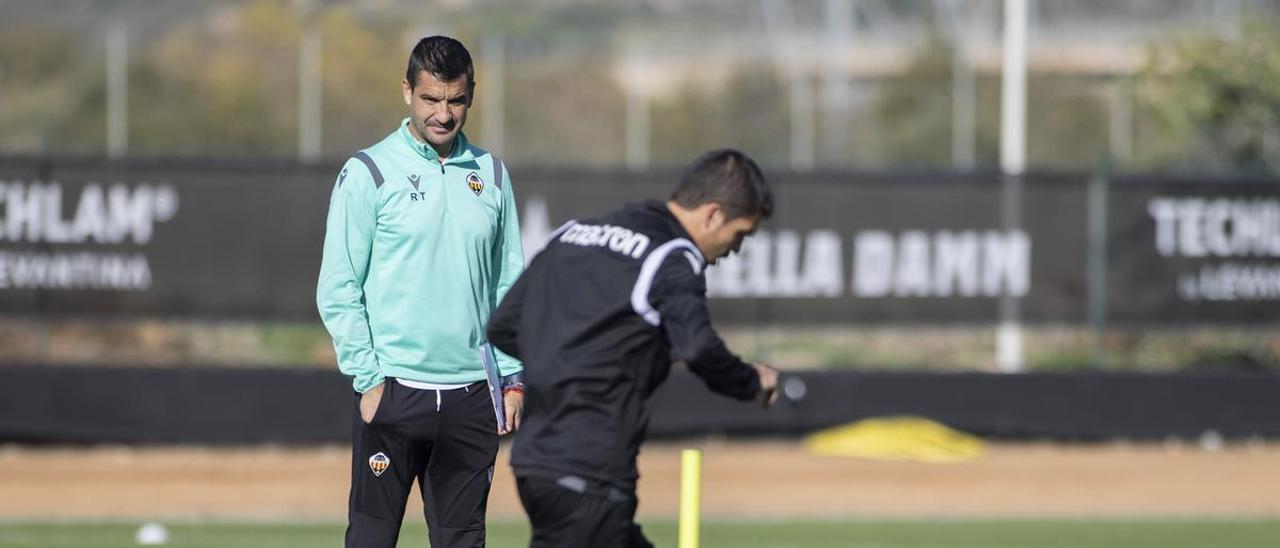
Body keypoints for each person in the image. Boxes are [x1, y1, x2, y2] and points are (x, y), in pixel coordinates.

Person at [486, 149, 781, 547]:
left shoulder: (573, 233)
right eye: (740, 235)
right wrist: (752, 381)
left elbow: (505, 326)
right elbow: (697, 347)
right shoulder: (674, 256)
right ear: (712, 214)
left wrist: (568, 355)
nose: (735, 250)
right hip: (590, 473)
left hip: (536, 464)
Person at [317, 35, 525, 548]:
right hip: (393, 390)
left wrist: (513, 376)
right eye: (431, 99)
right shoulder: (369, 172)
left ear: (471, 96)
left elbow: (510, 286)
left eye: (455, 99)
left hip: (473, 397)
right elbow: (338, 286)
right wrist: (369, 380)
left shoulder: (493, 175)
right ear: (407, 91)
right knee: (370, 537)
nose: (443, 113)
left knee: (463, 540)